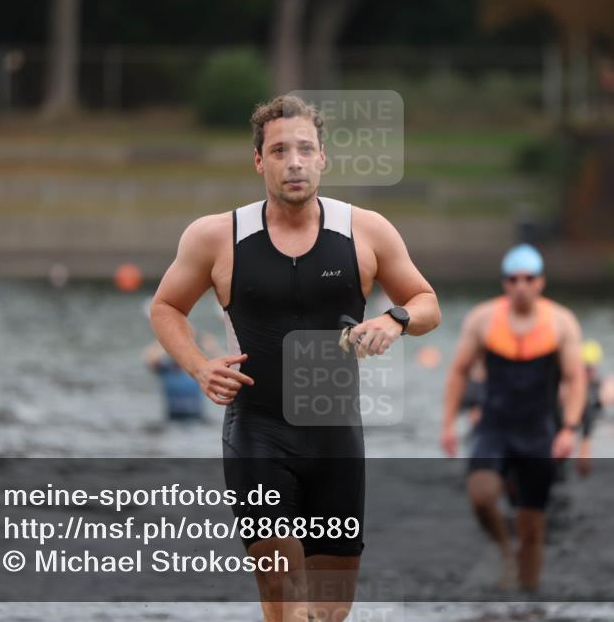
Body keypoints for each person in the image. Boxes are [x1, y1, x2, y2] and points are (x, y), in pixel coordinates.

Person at [149, 94, 440, 622]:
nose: (295, 161)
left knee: (329, 613)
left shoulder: (366, 230)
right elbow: (166, 307)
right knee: (284, 594)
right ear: (260, 161)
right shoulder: (217, 236)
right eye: (280, 150)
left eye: (306, 148)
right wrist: (197, 366)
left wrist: (393, 320)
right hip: (258, 434)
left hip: (336, 439)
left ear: (324, 157)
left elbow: (427, 305)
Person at [440, 243, 586, 592]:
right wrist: (447, 423)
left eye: (529, 278)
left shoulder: (561, 322)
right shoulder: (483, 319)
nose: (521, 285)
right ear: (505, 283)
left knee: (533, 528)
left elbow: (575, 378)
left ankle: (529, 599)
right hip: (495, 427)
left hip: (538, 431)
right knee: (480, 494)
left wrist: (569, 428)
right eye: (513, 279)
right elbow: (459, 371)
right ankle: (503, 548)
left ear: (541, 282)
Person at [568, 339, 614, 476]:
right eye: (585, 368)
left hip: (602, 427)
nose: (588, 372)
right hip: (583, 429)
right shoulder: (572, 386)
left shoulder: (604, 385)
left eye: (591, 368)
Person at [143, 332, 222, 421]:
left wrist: (205, 341)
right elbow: (150, 358)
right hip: (173, 417)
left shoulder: (198, 369)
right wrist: (164, 335)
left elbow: (220, 365)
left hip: (196, 416)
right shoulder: (166, 368)